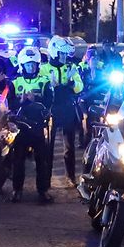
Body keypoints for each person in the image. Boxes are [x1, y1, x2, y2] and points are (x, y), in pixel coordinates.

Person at [7, 47, 55, 203]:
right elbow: (8, 104)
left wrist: (36, 100)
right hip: (20, 126)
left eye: (33, 64)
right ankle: (17, 190)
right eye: (28, 65)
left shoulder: (45, 82)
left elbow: (49, 102)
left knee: (42, 160)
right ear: (22, 65)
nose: (31, 67)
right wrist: (20, 102)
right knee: (18, 160)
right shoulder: (15, 82)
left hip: (38, 126)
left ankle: (43, 191)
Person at [47, 37, 86, 186]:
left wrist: (72, 82)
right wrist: (51, 86)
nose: (64, 56)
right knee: (48, 147)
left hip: (68, 108)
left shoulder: (71, 67)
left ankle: (71, 177)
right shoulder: (44, 68)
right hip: (51, 110)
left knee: (70, 146)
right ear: (55, 53)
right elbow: (43, 88)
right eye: (62, 54)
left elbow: (79, 87)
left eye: (65, 54)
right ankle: (46, 180)